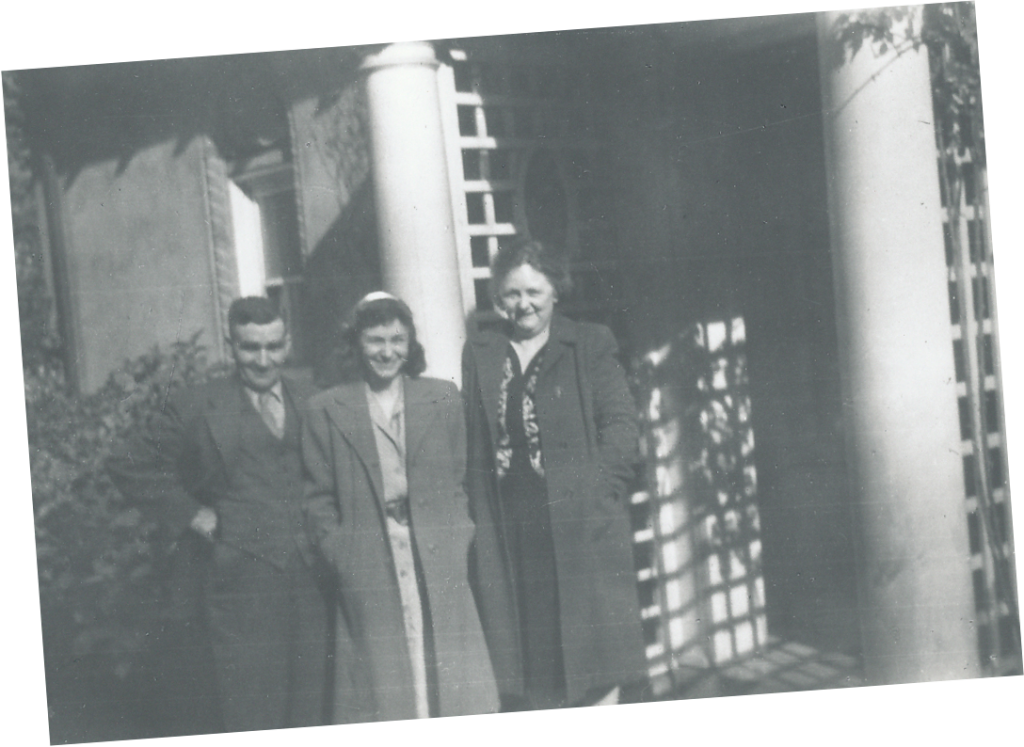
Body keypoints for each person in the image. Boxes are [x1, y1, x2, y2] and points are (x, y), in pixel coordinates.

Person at [107, 296, 332, 734]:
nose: (263, 360)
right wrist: (191, 513)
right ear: (232, 346)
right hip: (239, 584)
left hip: (311, 581)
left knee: (314, 702)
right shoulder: (197, 405)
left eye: (273, 346)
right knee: (252, 706)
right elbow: (127, 462)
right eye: (250, 348)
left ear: (287, 344)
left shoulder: (313, 397)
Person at [463, 239, 649, 712]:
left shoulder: (587, 343)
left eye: (533, 292)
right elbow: (473, 441)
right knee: (532, 657)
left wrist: (597, 491)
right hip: (512, 527)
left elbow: (623, 425)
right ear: (497, 298)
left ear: (555, 292)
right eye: (510, 294)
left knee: (595, 653)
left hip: (578, 524)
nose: (522, 304)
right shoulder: (482, 353)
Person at [302, 292, 499, 724]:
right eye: (375, 341)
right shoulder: (325, 408)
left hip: (435, 552)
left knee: (445, 662)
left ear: (410, 343)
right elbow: (317, 497)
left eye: (397, 340)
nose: (387, 352)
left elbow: (459, 478)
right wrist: (342, 553)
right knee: (384, 675)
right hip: (370, 556)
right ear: (356, 344)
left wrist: (458, 535)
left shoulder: (442, 398)